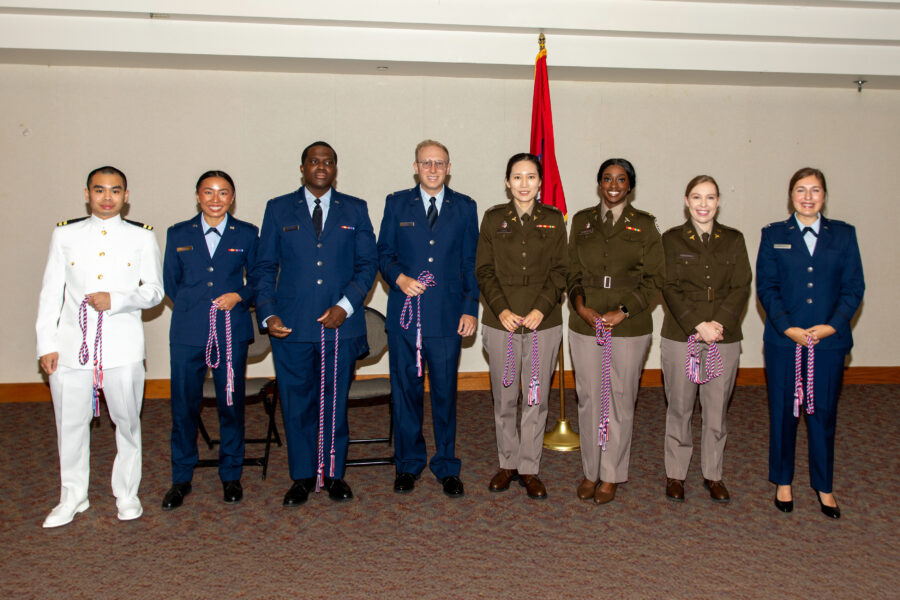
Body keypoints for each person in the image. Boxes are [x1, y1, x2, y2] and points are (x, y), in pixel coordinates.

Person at [36, 166, 164, 527]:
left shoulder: (141, 237)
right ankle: (72, 496)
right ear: (87, 194)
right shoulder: (65, 235)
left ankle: (126, 493)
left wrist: (119, 299)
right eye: (99, 190)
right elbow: (50, 294)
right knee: (70, 424)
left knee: (126, 423)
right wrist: (46, 344)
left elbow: (155, 291)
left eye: (115, 190)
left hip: (122, 346)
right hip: (71, 346)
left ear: (126, 196)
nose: (107, 197)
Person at [253, 141, 378, 506]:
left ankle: (334, 473)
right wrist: (268, 312)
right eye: (313, 161)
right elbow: (263, 267)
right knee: (296, 404)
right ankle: (303, 476)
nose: (320, 166)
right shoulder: (278, 209)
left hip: (340, 326)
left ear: (335, 168)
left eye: (327, 162)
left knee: (335, 403)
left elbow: (367, 265)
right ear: (303, 167)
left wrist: (346, 305)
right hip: (290, 328)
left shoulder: (355, 209)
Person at [756, 167, 864, 519]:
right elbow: (767, 289)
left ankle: (824, 485)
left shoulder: (844, 236)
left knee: (822, 415)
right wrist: (788, 328)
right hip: (784, 342)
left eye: (814, 190)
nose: (807, 196)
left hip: (828, 344)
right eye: (800, 190)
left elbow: (853, 289)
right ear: (791, 196)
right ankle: (783, 480)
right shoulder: (774, 235)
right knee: (784, 414)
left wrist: (830, 328)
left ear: (824, 196)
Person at [377, 140, 479, 498]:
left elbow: (470, 262)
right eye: (426, 163)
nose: (433, 169)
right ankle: (408, 464)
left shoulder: (465, 207)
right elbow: (383, 253)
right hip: (405, 316)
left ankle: (447, 465)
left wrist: (470, 307)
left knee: (445, 395)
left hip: (448, 317)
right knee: (405, 393)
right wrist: (398, 278)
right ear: (415, 167)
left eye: (439, 163)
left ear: (449, 167)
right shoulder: (396, 203)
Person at [567, 158, 664, 504]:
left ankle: (611, 475)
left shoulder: (645, 225)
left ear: (630, 186)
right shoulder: (581, 221)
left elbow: (656, 278)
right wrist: (579, 306)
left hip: (629, 326)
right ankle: (591, 471)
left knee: (620, 399)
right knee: (590, 398)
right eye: (607, 178)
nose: (613, 185)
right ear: (599, 183)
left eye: (620, 179)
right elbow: (571, 272)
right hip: (586, 323)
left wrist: (622, 311)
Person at [161, 171, 259, 510]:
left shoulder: (246, 233)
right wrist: (196, 309)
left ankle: (231, 474)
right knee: (183, 407)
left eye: (223, 193)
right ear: (198, 196)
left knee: (230, 406)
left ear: (232, 198)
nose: (215, 199)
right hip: (189, 333)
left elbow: (260, 279)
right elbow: (171, 284)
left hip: (231, 331)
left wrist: (240, 296)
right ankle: (181, 478)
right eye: (208, 192)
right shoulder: (178, 234)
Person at [475, 152, 567, 499]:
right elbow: (483, 270)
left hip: (543, 323)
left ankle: (529, 467)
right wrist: (501, 310)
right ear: (507, 181)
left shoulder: (554, 219)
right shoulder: (493, 218)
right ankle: (507, 463)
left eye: (531, 177)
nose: (524, 184)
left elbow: (561, 270)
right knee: (505, 397)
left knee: (536, 397)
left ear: (540, 182)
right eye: (517, 177)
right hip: (503, 323)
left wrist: (542, 309)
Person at [659, 175, 751, 504]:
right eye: (697, 197)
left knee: (715, 411)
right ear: (686, 201)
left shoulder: (734, 239)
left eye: (710, 198)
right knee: (680, 408)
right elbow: (668, 286)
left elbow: (742, 286)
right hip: (682, 337)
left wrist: (718, 324)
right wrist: (698, 324)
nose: (703, 204)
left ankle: (713, 474)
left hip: (723, 339)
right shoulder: (670, 240)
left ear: (718, 201)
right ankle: (676, 474)